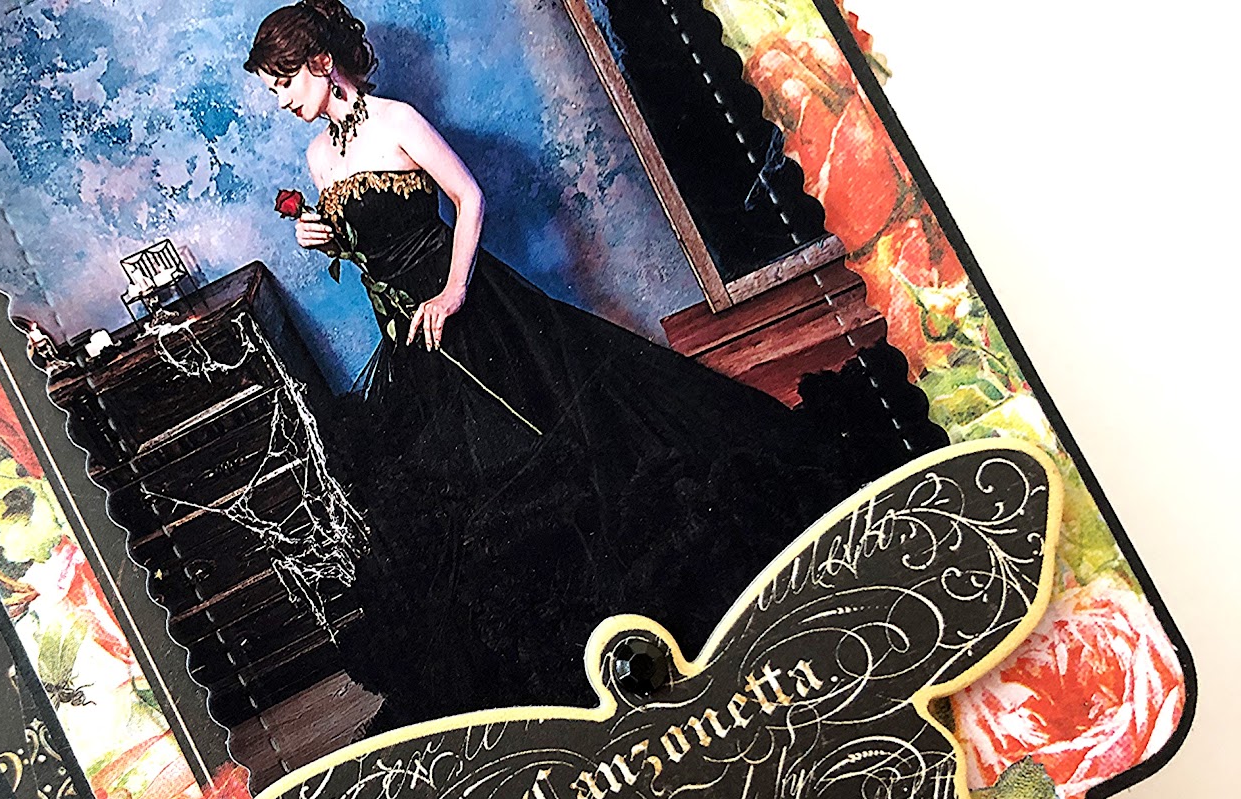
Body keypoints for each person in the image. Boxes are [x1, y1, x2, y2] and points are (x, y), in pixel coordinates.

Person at [245, 0, 946, 732]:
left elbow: (469, 198)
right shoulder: (318, 158)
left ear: (321, 63)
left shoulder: (398, 122)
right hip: (409, 343)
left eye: (284, 83)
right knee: (450, 489)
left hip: (471, 315)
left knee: (556, 451)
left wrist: (452, 291)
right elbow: (361, 243)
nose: (282, 101)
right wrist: (318, 237)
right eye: (273, 90)